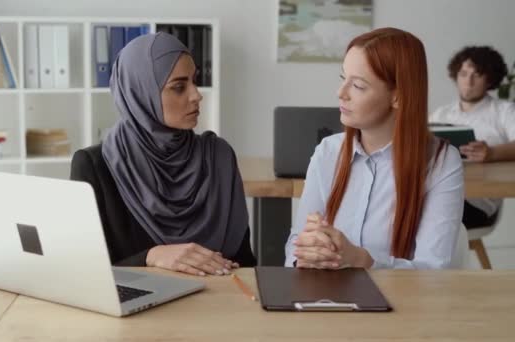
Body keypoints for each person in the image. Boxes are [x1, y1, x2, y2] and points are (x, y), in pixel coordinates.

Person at [70, 33, 255, 276]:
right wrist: (151, 256)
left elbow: (245, 264)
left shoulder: (218, 157)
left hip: (216, 303)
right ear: (139, 93)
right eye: (179, 87)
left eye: (194, 81)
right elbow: (83, 271)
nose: (196, 95)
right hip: (136, 308)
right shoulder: (95, 166)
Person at [284, 27, 464, 269]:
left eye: (357, 86)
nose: (341, 93)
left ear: (398, 97)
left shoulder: (441, 162)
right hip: (327, 300)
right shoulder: (328, 152)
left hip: (403, 305)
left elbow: (433, 270)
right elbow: (297, 244)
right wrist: (306, 256)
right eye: (342, 79)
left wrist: (364, 262)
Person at [430, 46, 515, 228]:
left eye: (476, 75)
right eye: (463, 74)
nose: (468, 81)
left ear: (489, 79)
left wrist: (491, 153)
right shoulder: (441, 115)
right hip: (439, 194)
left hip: (477, 204)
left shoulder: (503, 111)